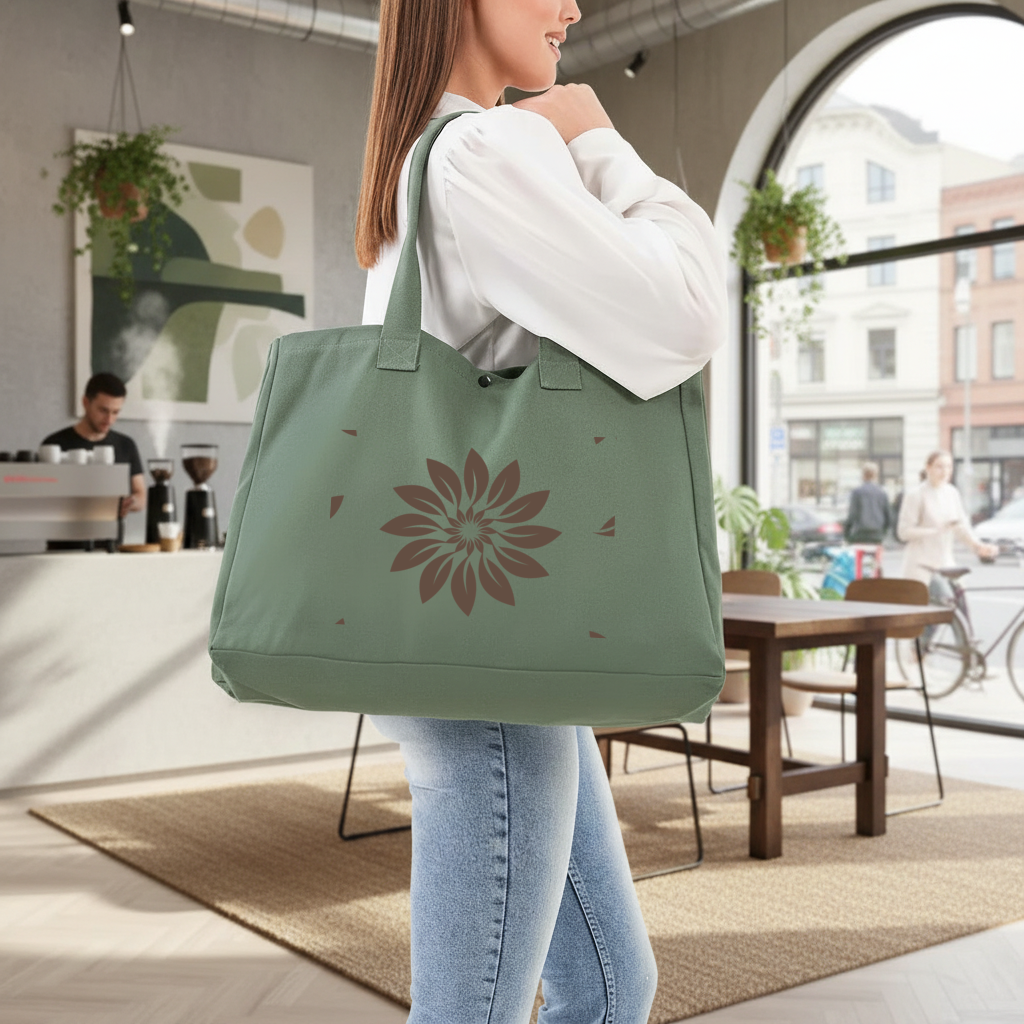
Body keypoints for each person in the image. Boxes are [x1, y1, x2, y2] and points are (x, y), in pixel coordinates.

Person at [355, 1, 726, 1021]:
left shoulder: (431, 158)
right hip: (487, 649)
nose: (572, 4)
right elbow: (687, 311)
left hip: (477, 636)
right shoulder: (485, 148)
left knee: (611, 985)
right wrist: (601, 143)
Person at [42, 372, 146, 549]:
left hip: (110, 548)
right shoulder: (54, 445)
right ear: (85, 403)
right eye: (103, 410)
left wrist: (131, 502)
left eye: (115, 412)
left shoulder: (125, 445)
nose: (109, 419)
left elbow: (141, 495)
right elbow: (42, 500)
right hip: (63, 550)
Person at [898, 450, 997, 594]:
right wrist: (934, 530)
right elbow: (903, 532)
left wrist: (978, 546)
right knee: (939, 609)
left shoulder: (952, 493)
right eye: (939, 466)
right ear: (928, 468)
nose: (945, 471)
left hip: (946, 564)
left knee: (960, 609)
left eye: (948, 467)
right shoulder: (916, 495)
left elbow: (961, 527)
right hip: (921, 567)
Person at [844, 462, 892, 544]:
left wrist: (847, 534)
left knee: (859, 555)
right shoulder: (882, 493)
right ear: (876, 475)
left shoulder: (857, 492)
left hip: (860, 534)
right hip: (877, 534)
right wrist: (883, 532)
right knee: (875, 556)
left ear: (863, 475)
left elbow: (852, 515)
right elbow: (888, 516)